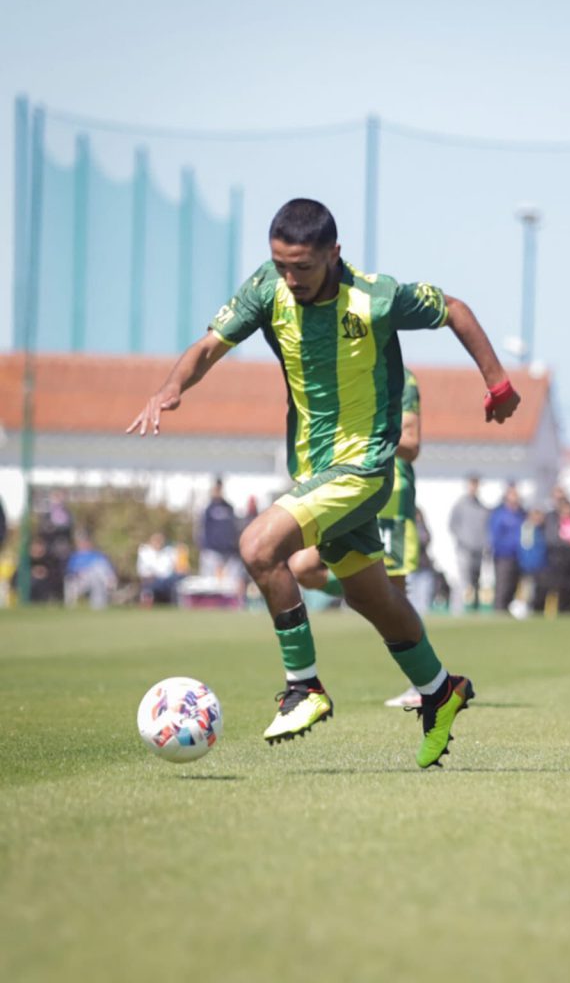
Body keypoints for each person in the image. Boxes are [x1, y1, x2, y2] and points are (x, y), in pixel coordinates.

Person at [128, 198, 520, 768]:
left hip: (362, 468)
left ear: (334, 254)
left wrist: (498, 383)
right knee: (370, 596)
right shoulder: (267, 289)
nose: (291, 278)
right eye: (281, 265)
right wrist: (173, 387)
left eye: (303, 267)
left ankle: (304, 686)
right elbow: (210, 344)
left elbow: (454, 309)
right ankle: (441, 691)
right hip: (315, 471)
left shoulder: (375, 298)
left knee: (257, 545)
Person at [289, 366, 428, 709]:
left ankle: (424, 683)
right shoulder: (342, 369)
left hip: (390, 497)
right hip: (345, 489)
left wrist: (364, 435)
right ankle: (363, 590)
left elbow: (411, 445)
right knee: (304, 567)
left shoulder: (401, 377)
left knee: (397, 594)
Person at [448, 475, 490, 613]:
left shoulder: (482, 507)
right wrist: (463, 540)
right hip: (464, 549)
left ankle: (475, 609)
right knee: (462, 580)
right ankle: (457, 609)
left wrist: (485, 545)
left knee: (476, 581)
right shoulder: (460, 505)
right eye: (472, 484)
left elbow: (486, 528)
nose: (474, 488)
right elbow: (453, 525)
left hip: (479, 550)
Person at [198, 477, 244, 596]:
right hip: (212, 551)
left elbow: (234, 528)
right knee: (210, 585)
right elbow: (201, 530)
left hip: (229, 552)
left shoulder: (229, 507)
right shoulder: (207, 508)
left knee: (230, 586)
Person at [489, 482, 526, 613]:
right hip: (504, 556)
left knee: (514, 588)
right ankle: (499, 611)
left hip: (520, 557)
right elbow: (495, 536)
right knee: (503, 587)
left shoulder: (522, 514)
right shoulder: (499, 514)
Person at [64, 533, 118, 610]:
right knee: (71, 581)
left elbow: (106, 567)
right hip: (79, 579)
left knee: (98, 570)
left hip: (94, 578)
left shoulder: (97, 555)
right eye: (81, 543)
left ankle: (98, 605)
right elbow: (70, 570)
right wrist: (78, 573)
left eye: (85, 542)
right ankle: (70, 606)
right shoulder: (75, 557)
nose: (83, 545)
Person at [136, 530, 181, 606]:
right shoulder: (144, 552)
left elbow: (177, 567)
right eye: (156, 540)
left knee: (177, 579)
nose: (158, 542)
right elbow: (142, 570)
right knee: (149, 584)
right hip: (153, 579)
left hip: (168, 579)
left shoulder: (169, 551)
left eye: (160, 540)